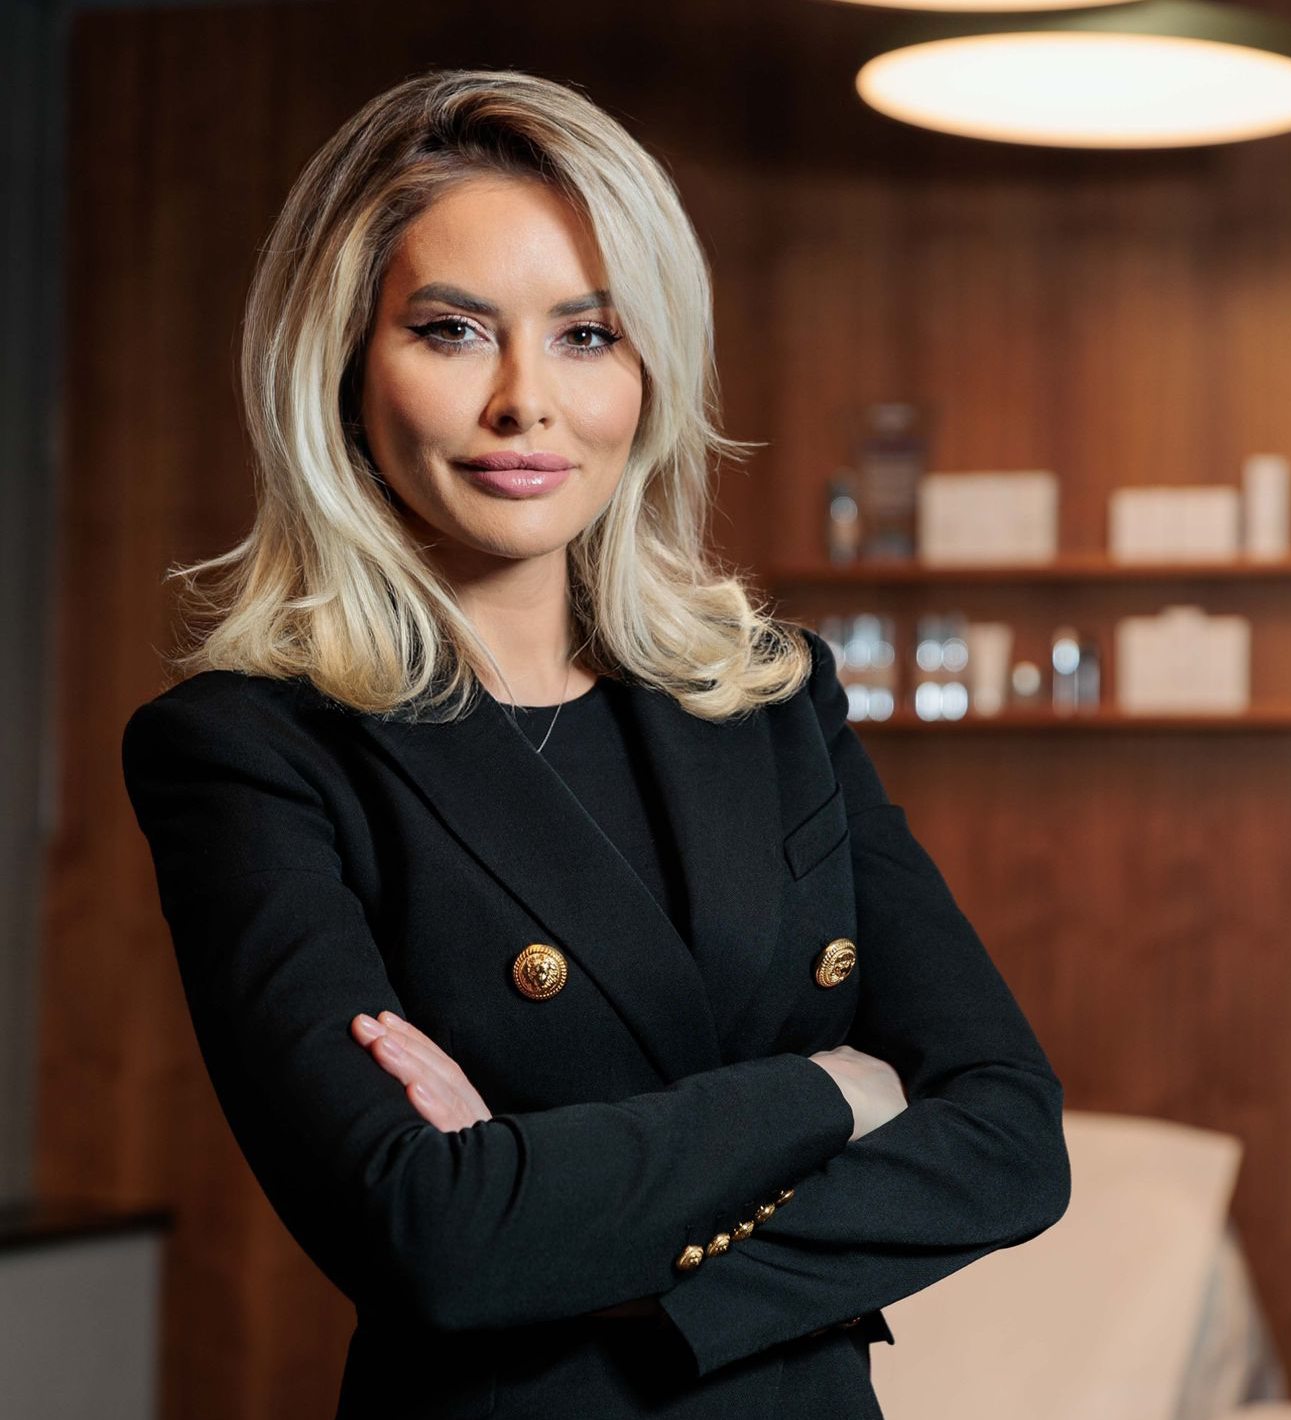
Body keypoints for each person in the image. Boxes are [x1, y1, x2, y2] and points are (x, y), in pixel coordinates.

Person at [120, 67, 1070, 1420]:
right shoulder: (248, 751)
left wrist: (623, 1266)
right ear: (338, 365)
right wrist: (829, 1090)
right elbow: (435, 1238)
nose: (526, 402)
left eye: (587, 334)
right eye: (450, 330)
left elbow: (1011, 1138)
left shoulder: (768, 695)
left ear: (650, 365)